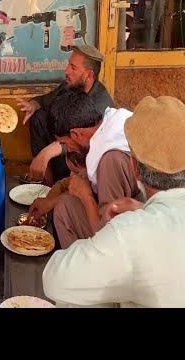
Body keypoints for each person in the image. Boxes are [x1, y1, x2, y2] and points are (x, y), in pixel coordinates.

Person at [43, 96, 185, 308]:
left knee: (70, 299)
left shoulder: (131, 231)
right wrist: (143, 208)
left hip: (113, 247)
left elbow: (53, 279)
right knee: (65, 205)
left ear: (134, 166)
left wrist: (86, 196)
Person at [35, 90, 140, 249]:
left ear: (75, 134)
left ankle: (80, 269)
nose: (67, 149)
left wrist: (86, 197)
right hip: (142, 216)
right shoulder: (111, 124)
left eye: (64, 143)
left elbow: (109, 237)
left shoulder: (109, 160)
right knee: (64, 196)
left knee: (64, 208)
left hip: (129, 240)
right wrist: (50, 202)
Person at [18, 45, 114, 184]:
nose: (66, 70)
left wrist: (48, 152)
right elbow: (49, 99)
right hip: (64, 144)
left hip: (83, 160)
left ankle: (61, 185)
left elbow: (82, 143)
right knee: (39, 117)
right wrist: (33, 105)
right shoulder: (72, 84)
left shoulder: (98, 107)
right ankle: (44, 182)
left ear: (89, 74)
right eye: (69, 64)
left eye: (73, 68)